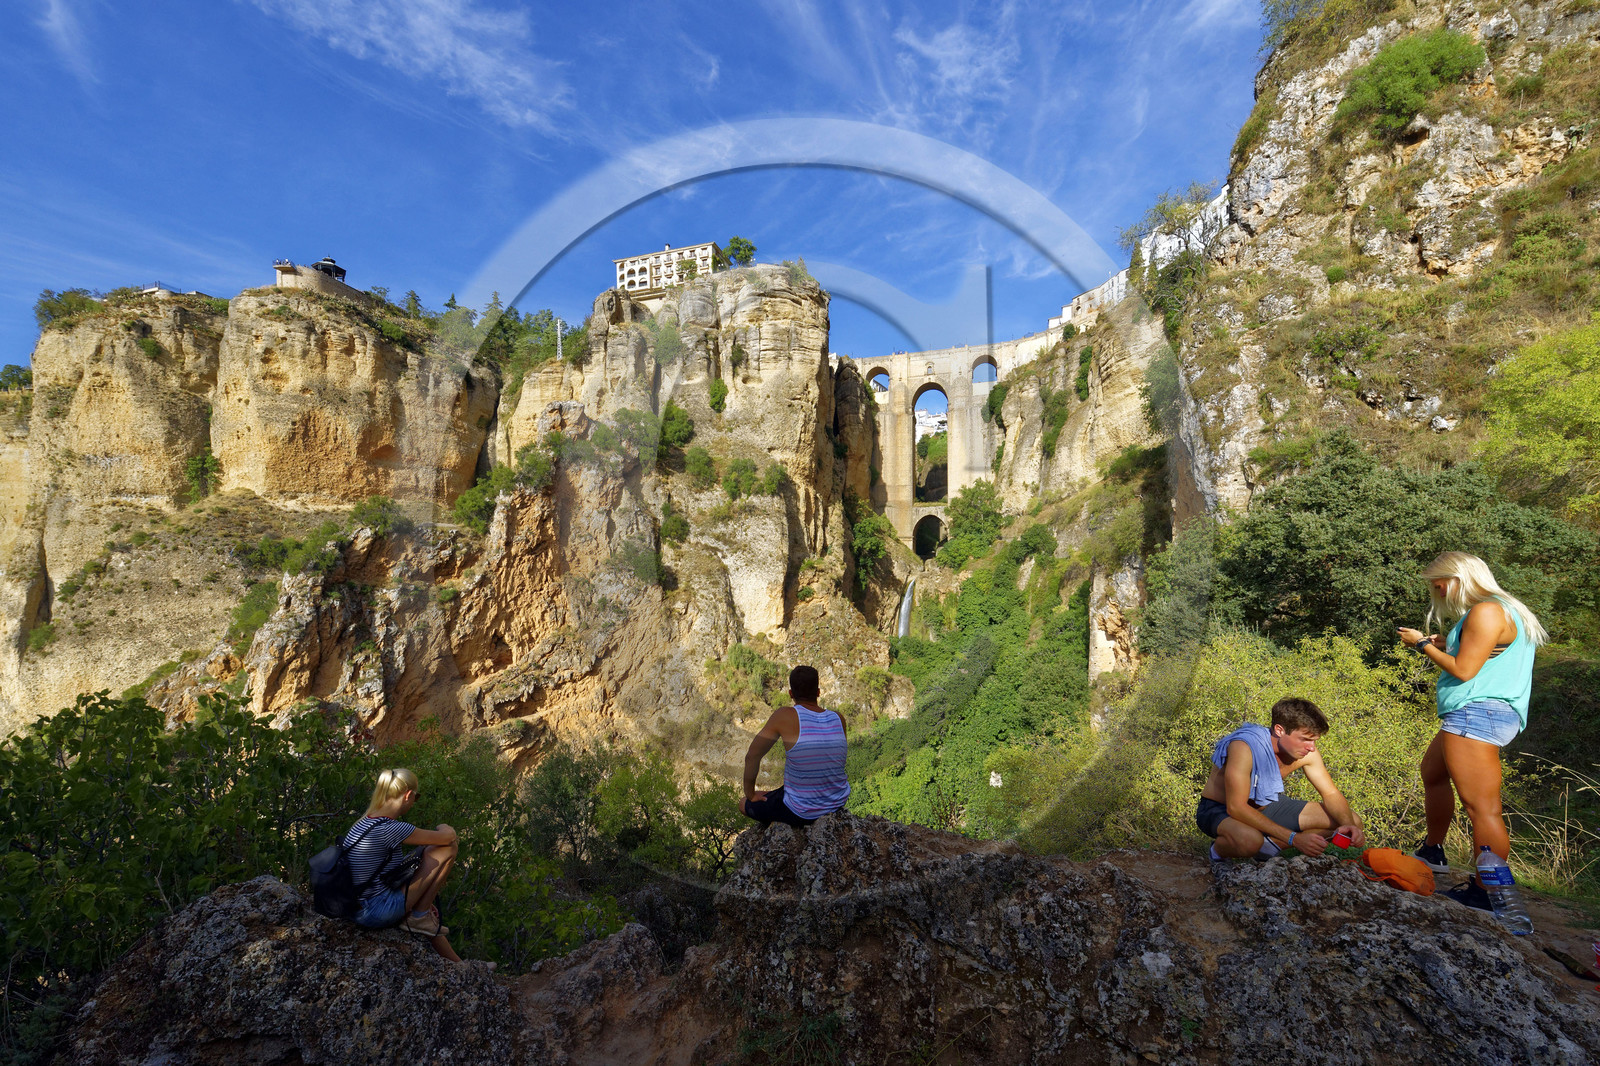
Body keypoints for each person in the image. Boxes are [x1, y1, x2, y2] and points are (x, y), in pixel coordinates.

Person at [1399, 551, 1546, 912]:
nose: (1439, 594)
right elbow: (1483, 656)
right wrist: (1441, 644)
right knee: (1432, 772)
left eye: (1439, 586)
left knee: (1483, 810)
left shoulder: (1487, 611)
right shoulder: (1502, 609)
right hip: (1476, 713)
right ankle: (1432, 852)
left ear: (1457, 579)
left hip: (1477, 713)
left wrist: (1420, 644)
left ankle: (1487, 893)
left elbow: (1464, 670)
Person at [343, 767, 486, 967]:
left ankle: (460, 965)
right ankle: (420, 915)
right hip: (376, 910)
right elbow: (447, 837)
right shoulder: (391, 828)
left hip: (359, 906)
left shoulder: (364, 822)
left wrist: (419, 898)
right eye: (416, 798)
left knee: (422, 907)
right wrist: (444, 826)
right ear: (408, 795)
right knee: (448, 848)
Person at [1196, 697, 1365, 861]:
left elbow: (1330, 793)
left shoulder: (1308, 753)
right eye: (1305, 739)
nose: (1311, 747)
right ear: (1279, 730)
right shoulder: (1244, 747)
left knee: (1351, 820)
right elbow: (1236, 807)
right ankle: (1217, 852)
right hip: (1220, 809)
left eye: (1314, 740)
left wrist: (1348, 826)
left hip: (1265, 807)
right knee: (1249, 841)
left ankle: (1271, 846)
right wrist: (1294, 838)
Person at [740, 665, 850, 826]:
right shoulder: (838, 719)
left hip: (802, 812)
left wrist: (750, 794)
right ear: (818, 692)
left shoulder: (785, 716)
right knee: (779, 792)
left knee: (743, 804)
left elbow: (752, 756)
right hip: (837, 803)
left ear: (791, 694)